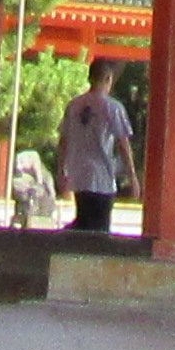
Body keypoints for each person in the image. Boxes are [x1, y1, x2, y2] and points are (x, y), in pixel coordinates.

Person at [56, 65, 136, 239]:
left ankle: (67, 241)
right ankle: (65, 241)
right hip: (102, 177)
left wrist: (61, 171)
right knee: (99, 230)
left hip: (78, 174)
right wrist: (132, 178)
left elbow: (63, 141)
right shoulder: (113, 107)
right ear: (108, 79)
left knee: (83, 221)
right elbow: (123, 145)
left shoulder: (73, 105)